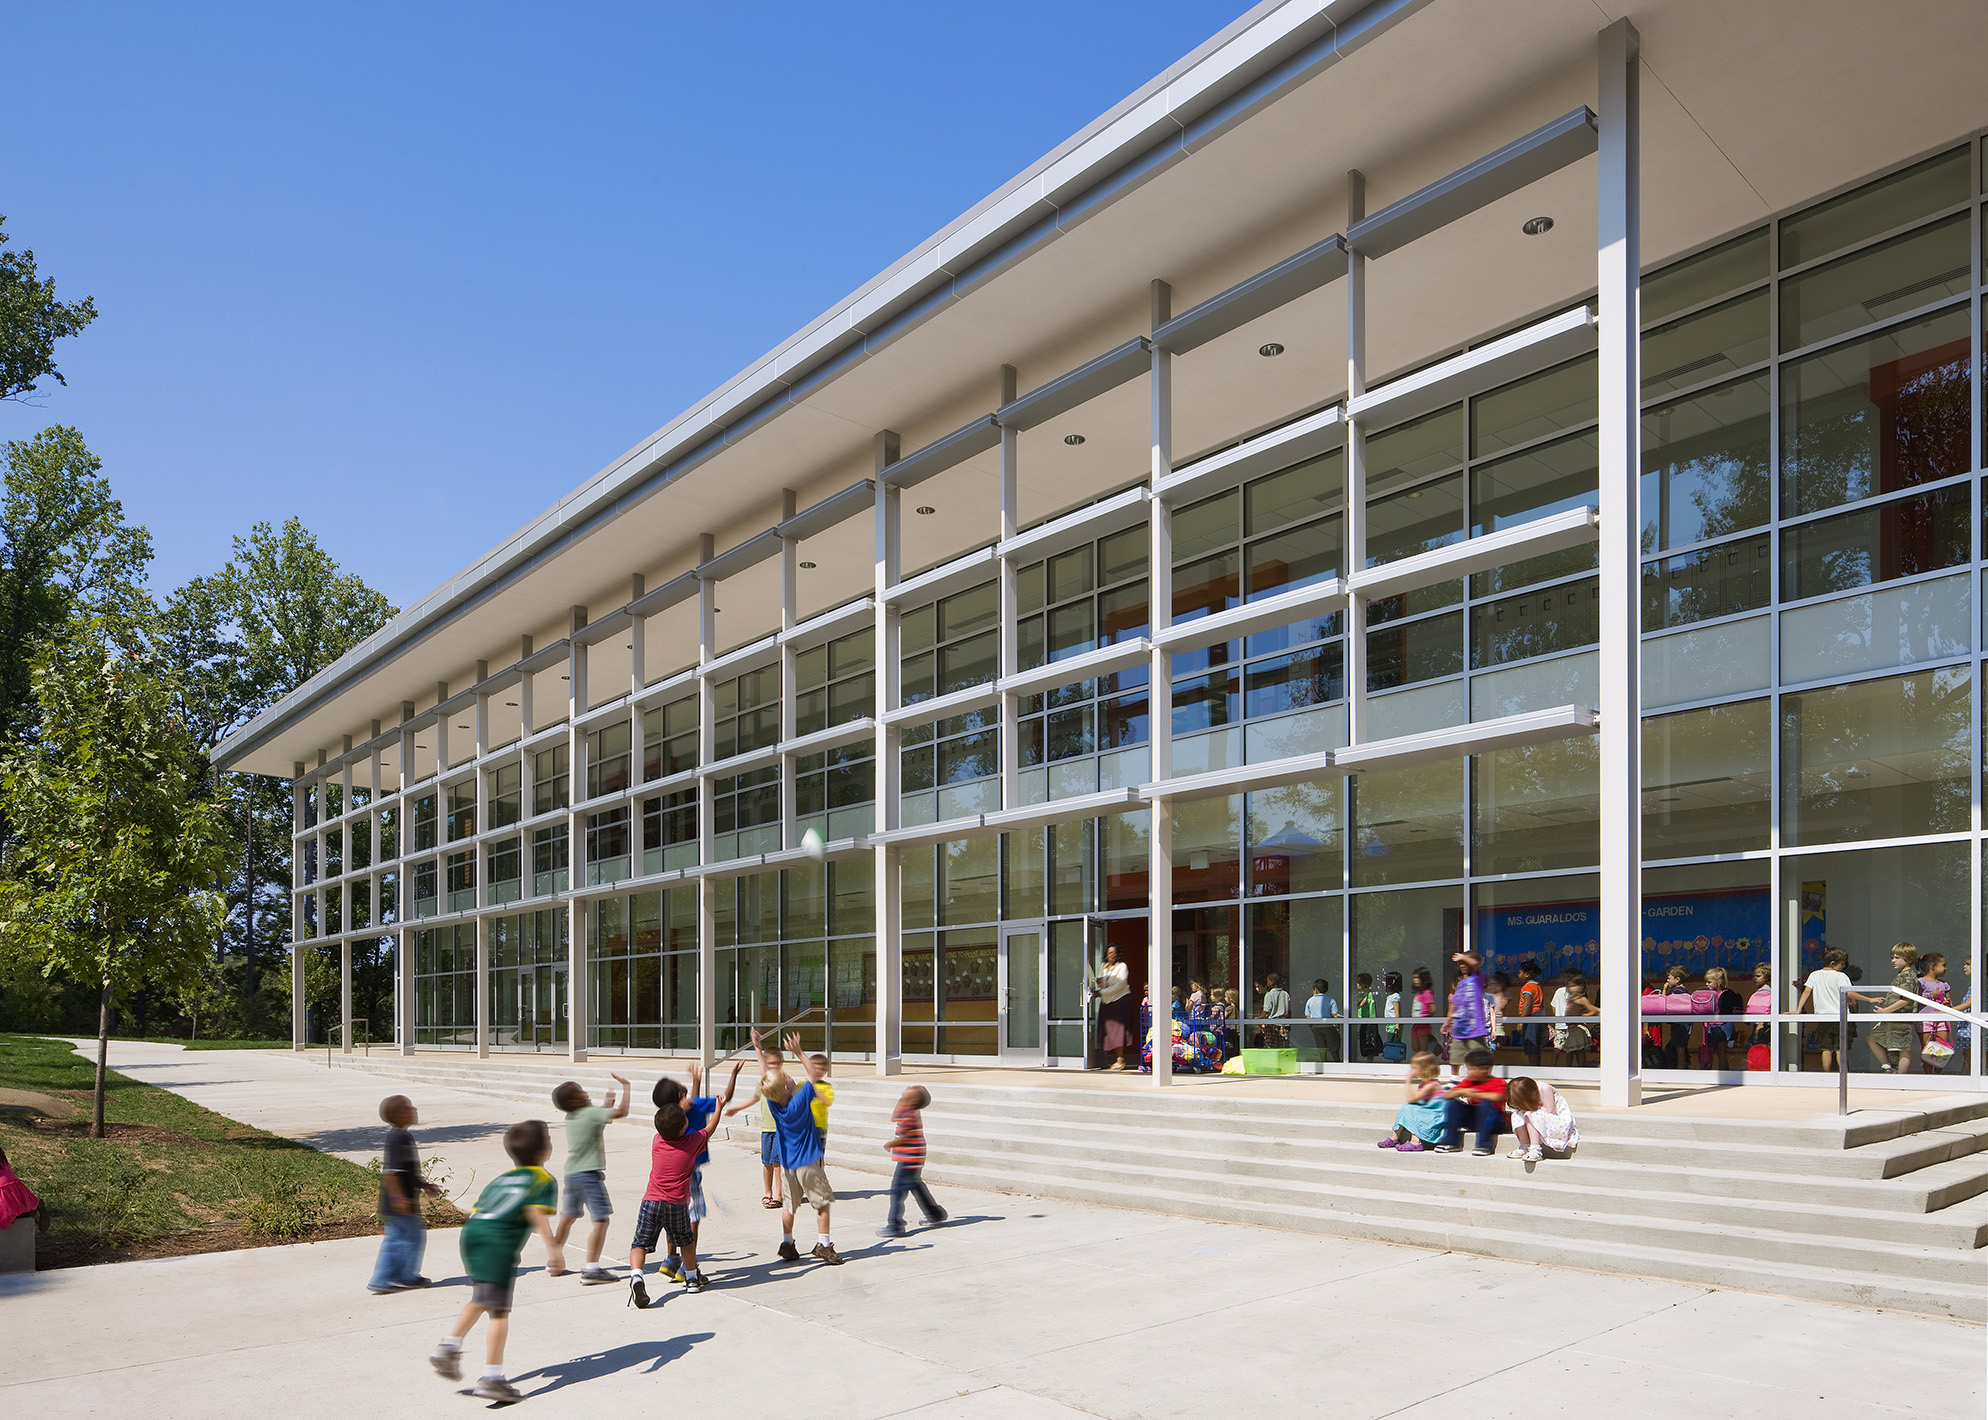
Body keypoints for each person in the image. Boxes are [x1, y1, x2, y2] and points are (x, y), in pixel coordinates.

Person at [429, 1120, 561, 1403]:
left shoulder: (501, 1179)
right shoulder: (543, 1179)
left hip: (472, 1235)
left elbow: (479, 1211)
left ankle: (449, 1347)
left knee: (482, 1297)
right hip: (497, 1242)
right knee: (499, 1312)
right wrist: (554, 1249)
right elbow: (536, 1213)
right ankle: (492, 1379)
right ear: (544, 1150)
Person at [756, 1028, 843, 1265]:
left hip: (788, 1166)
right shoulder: (801, 1099)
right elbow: (813, 1073)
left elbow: (766, 1078)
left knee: (789, 1206)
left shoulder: (774, 1104)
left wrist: (758, 1049)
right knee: (822, 1205)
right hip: (809, 1163)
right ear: (786, 1088)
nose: (790, 1077)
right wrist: (798, 1051)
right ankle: (824, 1245)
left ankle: (787, 1243)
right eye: (787, 1077)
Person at [653, 1061, 742, 1283]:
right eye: (681, 1090)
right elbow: (723, 1099)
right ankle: (687, 1266)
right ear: (679, 1096)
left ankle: (671, 1259)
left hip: (672, 1170)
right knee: (693, 1216)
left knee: (674, 1212)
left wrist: (696, 1083)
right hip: (690, 1171)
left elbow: (691, 1103)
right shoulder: (695, 1106)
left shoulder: (668, 1117)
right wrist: (733, 1075)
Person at [626, 1099, 712, 1306]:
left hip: (651, 1201)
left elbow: (669, 1123)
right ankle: (691, 1279)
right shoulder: (692, 1143)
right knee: (686, 1242)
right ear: (684, 1127)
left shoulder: (657, 1140)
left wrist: (677, 1111)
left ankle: (636, 1277)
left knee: (640, 1245)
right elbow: (710, 1128)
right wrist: (718, 1108)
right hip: (677, 1204)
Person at [549, 1073, 629, 1284]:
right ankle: (592, 1268)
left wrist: (606, 1105)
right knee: (601, 1220)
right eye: (581, 1091)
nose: (586, 1093)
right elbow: (621, 1112)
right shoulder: (591, 1113)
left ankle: (554, 1260)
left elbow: (596, 1122)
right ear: (575, 1100)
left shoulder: (571, 1117)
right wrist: (626, 1086)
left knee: (567, 1217)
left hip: (571, 1175)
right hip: (589, 1175)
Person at [369, 1094, 441, 1294]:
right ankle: (386, 1279)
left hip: (402, 1202)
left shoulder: (404, 1137)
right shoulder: (397, 1138)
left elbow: (407, 1171)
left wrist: (424, 1185)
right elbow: (390, 1173)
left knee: (407, 1238)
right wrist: (398, 1198)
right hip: (398, 1203)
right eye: (408, 1107)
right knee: (401, 1240)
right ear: (398, 1115)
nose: (413, 1109)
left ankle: (401, 1276)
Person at [876, 1084, 948, 1237]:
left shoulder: (910, 1115)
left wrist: (891, 1143)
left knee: (897, 1191)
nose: (907, 1088)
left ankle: (895, 1225)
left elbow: (907, 1137)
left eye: (910, 1090)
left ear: (913, 1100)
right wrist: (903, 1099)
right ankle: (935, 1214)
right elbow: (894, 1117)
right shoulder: (906, 1109)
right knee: (916, 1186)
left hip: (909, 1159)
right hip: (913, 1157)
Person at [723, 1059, 784, 1209]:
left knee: (777, 1162)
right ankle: (768, 1192)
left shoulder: (782, 1083)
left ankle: (779, 1194)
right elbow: (754, 1098)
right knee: (766, 1162)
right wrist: (736, 1108)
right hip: (766, 1129)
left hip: (780, 1129)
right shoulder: (762, 1084)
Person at [1433, 1048, 1507, 1156]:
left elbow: (1498, 1096)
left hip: (1494, 1122)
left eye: (1471, 1069)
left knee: (1485, 1104)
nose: (1468, 1072)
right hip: (1475, 1120)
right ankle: (1450, 1141)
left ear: (1484, 1069)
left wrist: (1475, 1094)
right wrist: (1463, 1091)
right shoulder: (1470, 1081)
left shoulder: (1498, 1082)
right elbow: (1448, 1095)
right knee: (1453, 1103)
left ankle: (1483, 1144)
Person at [1864, 941, 1923, 1073]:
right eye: (1892, 957)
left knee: (1902, 1048)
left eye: (1897, 958)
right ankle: (1887, 1068)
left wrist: (1885, 1011)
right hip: (1891, 1019)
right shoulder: (1901, 975)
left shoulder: (1907, 976)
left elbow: (1906, 999)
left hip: (1900, 1019)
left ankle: (1900, 1077)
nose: (1893, 961)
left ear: (1908, 959)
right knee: (1872, 1038)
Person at [1794, 948, 1853, 1072]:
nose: (1843, 966)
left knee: (1826, 1049)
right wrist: (1869, 999)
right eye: (1842, 963)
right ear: (1833, 963)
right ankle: (1844, 1074)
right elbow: (1850, 993)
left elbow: (1806, 992)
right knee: (1840, 1049)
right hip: (1839, 1017)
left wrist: (1798, 1010)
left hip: (1823, 1017)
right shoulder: (1841, 976)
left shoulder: (1814, 975)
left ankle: (1827, 1075)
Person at [1376, 1053, 1445, 1151]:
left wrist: (1408, 1080)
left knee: (1412, 1108)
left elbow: (1411, 1099)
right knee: (1407, 1107)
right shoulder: (1424, 1084)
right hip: (1427, 1112)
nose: (1412, 1071)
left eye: (1415, 1068)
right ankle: (1395, 1137)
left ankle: (1415, 1141)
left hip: (1435, 1115)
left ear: (1425, 1069)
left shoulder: (1432, 1085)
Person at [1505, 1076, 1578, 1162]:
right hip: (1542, 1119)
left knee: (1531, 1114)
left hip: (1558, 1121)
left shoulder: (1544, 1088)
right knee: (1517, 1114)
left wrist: (1530, 1109)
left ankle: (1535, 1149)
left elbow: (1550, 1110)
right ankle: (1524, 1146)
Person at [1444, 948, 1491, 1072]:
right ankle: (1454, 1078)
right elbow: (1455, 1005)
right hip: (1459, 1029)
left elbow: (1475, 964)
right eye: (1460, 964)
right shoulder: (1460, 984)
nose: (1462, 965)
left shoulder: (1477, 979)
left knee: (1480, 1056)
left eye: (1465, 963)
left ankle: (1483, 1078)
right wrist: (1448, 1022)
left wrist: (1463, 957)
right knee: (1455, 1056)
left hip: (1475, 1029)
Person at [1917, 953, 1955, 1072]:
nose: (1945, 968)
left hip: (1941, 1019)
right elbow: (1916, 999)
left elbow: (1950, 1001)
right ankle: (1928, 1074)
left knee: (1941, 1048)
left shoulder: (1944, 984)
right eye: (1943, 965)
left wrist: (1948, 1003)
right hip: (1925, 1020)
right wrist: (1931, 996)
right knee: (1927, 1049)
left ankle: (1938, 1074)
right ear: (1932, 966)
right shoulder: (1920, 982)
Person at [0, 1145, 47, 1236]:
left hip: (5, 1197)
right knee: (19, 1213)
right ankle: (35, 1208)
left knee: (9, 1215)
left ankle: (33, 1209)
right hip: (14, 1193)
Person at [1700, 967, 1741, 1070]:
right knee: (1717, 1050)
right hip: (1714, 1025)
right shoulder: (1712, 995)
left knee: (1721, 1049)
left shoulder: (1726, 995)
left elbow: (1724, 1010)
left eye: (1709, 982)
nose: (1707, 984)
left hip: (1723, 1024)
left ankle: (1723, 1071)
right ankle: (1723, 1070)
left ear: (1718, 982)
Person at [1552, 972, 1597, 1065]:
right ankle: (1569, 1068)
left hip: (1577, 1029)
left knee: (1579, 1051)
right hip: (1570, 1029)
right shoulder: (1571, 999)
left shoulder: (1581, 999)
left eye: (1573, 986)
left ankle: (1581, 1068)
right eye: (1570, 986)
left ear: (1580, 987)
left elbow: (1593, 1010)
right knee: (1570, 1050)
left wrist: (1583, 1017)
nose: (1571, 989)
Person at [1515, 960, 1545, 1066]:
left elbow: (1527, 1005)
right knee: (1537, 1045)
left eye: (1520, 972)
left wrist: (1521, 1021)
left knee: (1531, 1044)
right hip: (1539, 1015)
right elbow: (1542, 1004)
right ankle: (1537, 1067)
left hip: (1531, 1017)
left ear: (1527, 974)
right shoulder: (1538, 986)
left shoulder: (1527, 987)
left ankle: (1532, 1069)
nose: (1518, 975)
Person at [1303, 978, 1339, 1062]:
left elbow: (1308, 1017)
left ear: (1315, 989)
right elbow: (1335, 1015)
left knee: (1321, 1048)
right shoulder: (1331, 1000)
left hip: (1316, 1027)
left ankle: (1323, 1064)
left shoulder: (1310, 1001)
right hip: (1329, 1027)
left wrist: (1311, 1027)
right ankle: (1338, 1063)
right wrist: (1337, 1027)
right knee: (1334, 1047)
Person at [1353, 973, 1383, 1063]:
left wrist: (1353, 1008)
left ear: (1363, 984)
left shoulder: (1368, 994)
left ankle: (1370, 1062)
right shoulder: (1363, 994)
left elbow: (1360, 1004)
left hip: (1369, 1021)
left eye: (1358, 983)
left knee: (1369, 1041)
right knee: (1365, 1040)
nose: (1356, 985)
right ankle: (1369, 1060)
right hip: (1365, 1020)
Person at [1409, 966, 1436, 1057]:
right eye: (1414, 978)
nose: (1415, 980)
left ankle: (1424, 1062)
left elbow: (1432, 1009)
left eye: (1417, 978)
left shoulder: (1427, 993)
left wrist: (1426, 1016)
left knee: (1422, 1050)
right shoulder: (1417, 993)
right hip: (1415, 1024)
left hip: (1423, 1025)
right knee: (1415, 1047)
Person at [1260, 973, 1289, 1047]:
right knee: (1284, 1047)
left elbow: (1266, 1010)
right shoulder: (1285, 994)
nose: (1267, 983)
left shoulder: (1269, 995)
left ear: (1272, 982)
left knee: (1270, 1046)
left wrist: (1259, 1018)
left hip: (1271, 1025)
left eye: (1268, 981)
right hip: (1283, 1023)